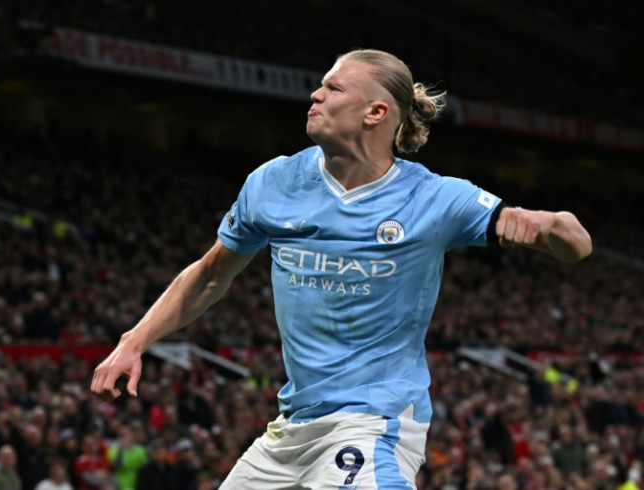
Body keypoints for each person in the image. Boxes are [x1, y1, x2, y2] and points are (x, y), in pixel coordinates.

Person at [91, 48, 592, 488]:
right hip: (292, 428)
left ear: (376, 112)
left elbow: (578, 245)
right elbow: (210, 275)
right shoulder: (273, 183)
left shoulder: (434, 198)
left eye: (333, 87)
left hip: (374, 420)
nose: (315, 94)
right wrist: (133, 342)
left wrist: (547, 224)